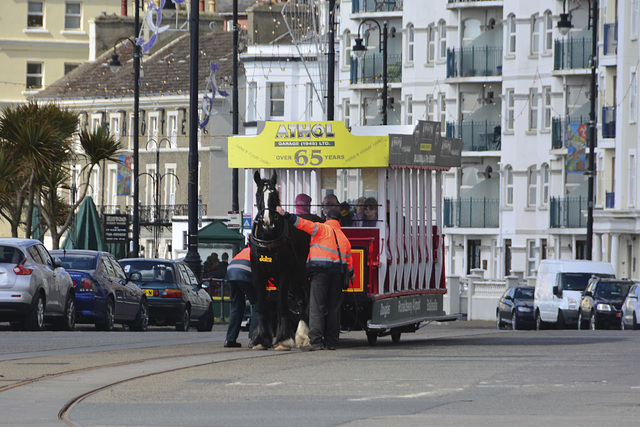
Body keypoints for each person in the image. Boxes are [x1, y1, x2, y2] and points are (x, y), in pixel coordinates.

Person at [276, 205, 353, 351]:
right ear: (339, 221)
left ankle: (316, 341)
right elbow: (349, 263)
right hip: (337, 274)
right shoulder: (344, 238)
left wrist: (285, 214)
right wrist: (351, 275)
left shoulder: (321, 228)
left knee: (317, 306)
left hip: (320, 273)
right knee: (334, 308)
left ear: (327, 219)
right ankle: (331, 342)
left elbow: (301, 223)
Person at [224, 246, 259, 348]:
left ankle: (230, 340)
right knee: (257, 304)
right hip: (245, 272)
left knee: (237, 305)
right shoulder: (259, 251)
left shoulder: (244, 250)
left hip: (231, 272)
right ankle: (254, 339)